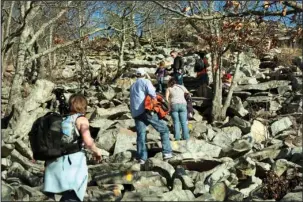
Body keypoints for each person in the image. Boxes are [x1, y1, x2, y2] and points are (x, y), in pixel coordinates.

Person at [43, 94, 102, 202]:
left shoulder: (62, 118)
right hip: (72, 163)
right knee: (73, 194)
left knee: (52, 196)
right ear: (84, 106)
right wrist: (97, 151)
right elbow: (88, 141)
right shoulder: (81, 119)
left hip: (53, 162)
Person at [130, 68, 173, 164]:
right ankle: (167, 153)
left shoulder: (133, 85)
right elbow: (153, 94)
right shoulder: (145, 81)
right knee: (164, 129)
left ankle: (142, 158)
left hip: (136, 113)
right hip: (146, 111)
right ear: (144, 74)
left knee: (141, 135)